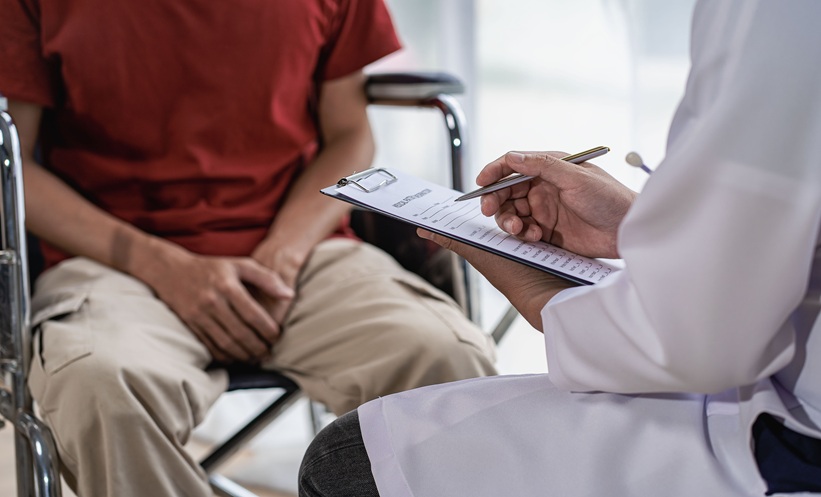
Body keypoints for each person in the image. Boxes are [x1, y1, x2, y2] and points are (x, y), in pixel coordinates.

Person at [298, 1, 821, 495]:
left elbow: (696, 336)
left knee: (341, 464)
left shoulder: (773, 16)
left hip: (789, 437)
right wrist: (640, 223)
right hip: (768, 377)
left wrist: (538, 290)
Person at [0, 0, 498, 495]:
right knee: (100, 388)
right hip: (114, 262)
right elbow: (17, 163)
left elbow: (348, 135)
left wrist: (282, 254)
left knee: (447, 358)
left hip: (300, 250)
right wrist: (162, 266)